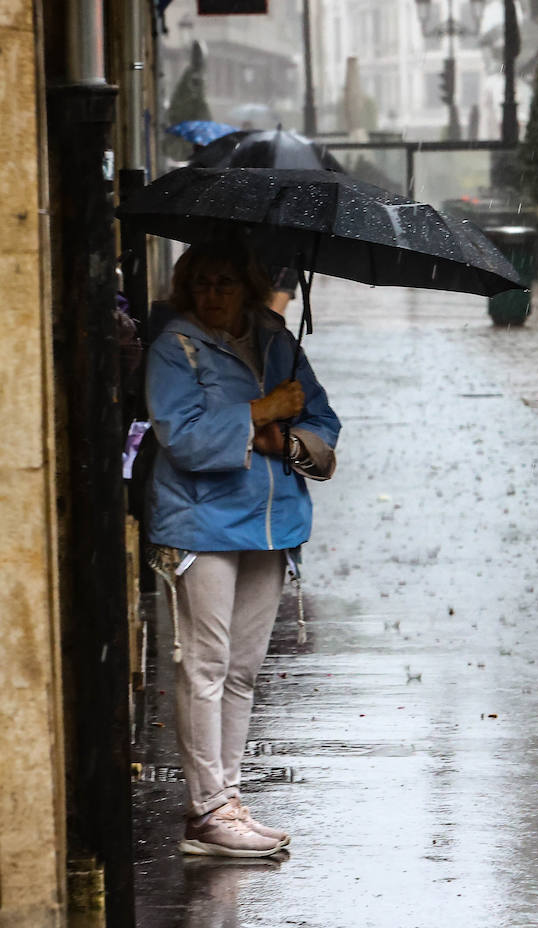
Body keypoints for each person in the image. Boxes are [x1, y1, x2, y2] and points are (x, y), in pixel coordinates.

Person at [146, 238, 340, 857]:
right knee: (205, 664)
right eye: (201, 282)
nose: (212, 294)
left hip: (270, 521)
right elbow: (182, 436)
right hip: (201, 522)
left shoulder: (277, 339)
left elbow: (321, 420)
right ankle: (205, 809)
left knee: (242, 669)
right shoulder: (173, 347)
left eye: (225, 282)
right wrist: (259, 411)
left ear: (248, 287)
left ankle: (227, 798)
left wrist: (285, 442)